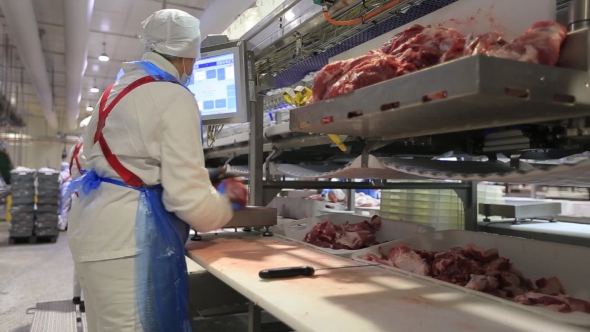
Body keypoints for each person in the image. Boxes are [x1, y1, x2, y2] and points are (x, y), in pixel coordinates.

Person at [66, 9, 246, 332]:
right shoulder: (173, 95)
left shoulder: (114, 92)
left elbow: (133, 163)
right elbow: (188, 201)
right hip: (125, 245)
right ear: (188, 57)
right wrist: (227, 200)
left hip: (92, 231)